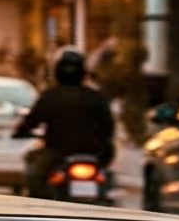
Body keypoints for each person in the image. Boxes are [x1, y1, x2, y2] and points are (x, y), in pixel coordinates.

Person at [12, 48, 116, 195]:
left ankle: (40, 208)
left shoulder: (50, 96)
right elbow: (109, 127)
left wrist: (20, 132)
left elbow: (31, 122)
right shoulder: (96, 96)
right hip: (97, 152)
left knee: (34, 176)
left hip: (58, 152)